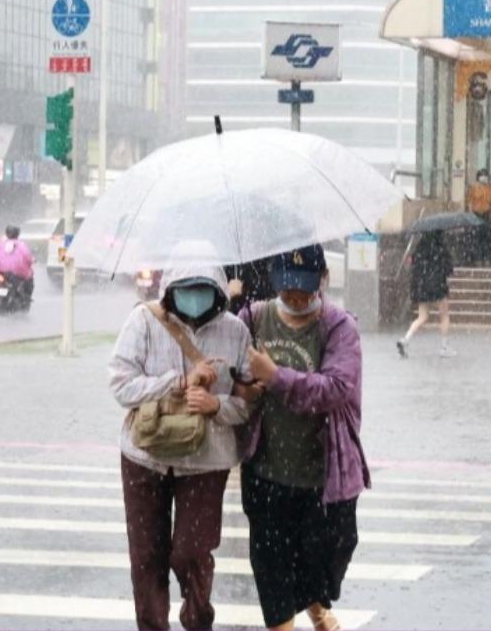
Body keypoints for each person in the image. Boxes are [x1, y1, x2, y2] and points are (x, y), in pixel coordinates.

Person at [109, 254, 253, 631]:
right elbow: (120, 385)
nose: (195, 298)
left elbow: (248, 405)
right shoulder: (143, 320)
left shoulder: (235, 331)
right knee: (146, 557)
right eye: (186, 290)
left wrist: (215, 404)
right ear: (170, 291)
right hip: (145, 455)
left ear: (218, 292)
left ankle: (198, 618)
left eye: (203, 290)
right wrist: (178, 381)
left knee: (192, 552)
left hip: (206, 460)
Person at [238, 244, 368, 631]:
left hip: (320, 479)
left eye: (304, 287)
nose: (295, 295)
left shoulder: (339, 326)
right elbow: (233, 372)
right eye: (287, 286)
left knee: (320, 566)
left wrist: (275, 376)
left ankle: (318, 608)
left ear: (323, 279)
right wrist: (245, 387)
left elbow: (336, 388)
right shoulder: (254, 317)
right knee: (271, 572)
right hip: (265, 472)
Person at [397, 230, 455, 358]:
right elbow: (449, 269)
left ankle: (405, 339)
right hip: (438, 286)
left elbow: (413, 266)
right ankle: (444, 347)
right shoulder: (441, 249)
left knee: (422, 317)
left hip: (422, 288)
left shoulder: (419, 248)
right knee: (444, 316)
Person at [0, 225, 35, 298]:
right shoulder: (21, 245)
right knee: (29, 278)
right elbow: (27, 257)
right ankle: (26, 297)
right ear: (17, 234)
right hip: (17, 272)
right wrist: (31, 261)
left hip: (0, 271)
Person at [467, 169, 491, 264]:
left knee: (486, 238)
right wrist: (471, 213)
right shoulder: (473, 188)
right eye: (482, 175)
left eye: (485, 175)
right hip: (476, 215)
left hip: (486, 214)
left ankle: (486, 259)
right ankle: (478, 259)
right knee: (477, 238)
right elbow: (470, 202)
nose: (484, 178)